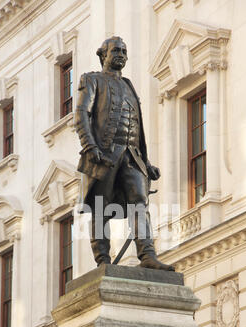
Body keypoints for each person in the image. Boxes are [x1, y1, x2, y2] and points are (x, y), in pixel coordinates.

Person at [75, 36, 174, 271]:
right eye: (115, 51)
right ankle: (103, 259)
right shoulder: (92, 80)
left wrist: (146, 162)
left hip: (132, 155)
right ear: (103, 55)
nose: (121, 54)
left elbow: (136, 126)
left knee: (140, 202)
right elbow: (81, 115)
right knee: (101, 208)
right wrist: (90, 147)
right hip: (105, 155)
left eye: (124, 51)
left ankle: (147, 254)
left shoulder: (129, 84)